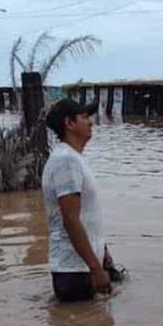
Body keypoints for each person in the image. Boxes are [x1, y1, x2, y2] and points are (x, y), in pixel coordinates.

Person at [42, 98, 115, 302]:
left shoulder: (74, 159)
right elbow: (71, 220)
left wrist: (103, 252)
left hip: (83, 266)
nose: (91, 122)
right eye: (84, 117)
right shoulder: (65, 161)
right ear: (70, 123)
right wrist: (95, 268)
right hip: (75, 270)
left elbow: (87, 214)